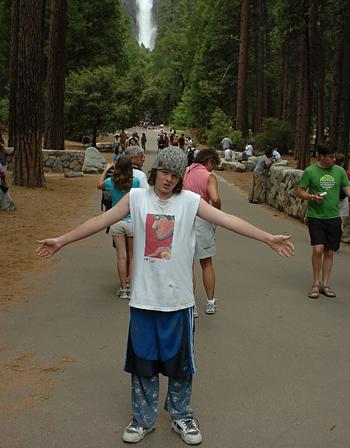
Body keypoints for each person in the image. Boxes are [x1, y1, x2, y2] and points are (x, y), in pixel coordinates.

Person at [36, 146, 293, 445]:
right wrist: (62, 240)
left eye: (175, 174)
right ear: (154, 171)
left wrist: (267, 238)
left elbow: (229, 220)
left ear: (181, 177)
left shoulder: (190, 202)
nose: (168, 180)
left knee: (180, 366)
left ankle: (182, 415)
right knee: (143, 363)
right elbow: (101, 221)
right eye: (164, 172)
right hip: (144, 300)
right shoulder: (137, 197)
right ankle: (143, 419)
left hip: (179, 302)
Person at [297, 144, 350, 299]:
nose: (334, 159)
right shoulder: (310, 171)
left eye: (334, 156)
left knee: (329, 251)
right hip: (316, 217)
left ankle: (325, 285)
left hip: (334, 217)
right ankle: (316, 283)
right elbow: (300, 191)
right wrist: (312, 197)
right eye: (330, 157)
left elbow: (347, 190)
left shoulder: (340, 171)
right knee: (318, 249)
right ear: (321, 156)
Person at [183, 148, 221, 315]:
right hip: (202, 218)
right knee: (206, 263)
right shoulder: (209, 176)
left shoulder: (186, 171)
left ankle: (192, 305)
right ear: (210, 162)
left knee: (188, 264)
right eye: (213, 165)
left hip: (185, 218)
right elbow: (215, 198)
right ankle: (210, 302)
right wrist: (217, 213)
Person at [97, 158, 140, 298]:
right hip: (132, 220)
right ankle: (132, 287)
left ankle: (123, 289)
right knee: (132, 256)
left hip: (116, 221)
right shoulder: (135, 182)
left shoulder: (110, 182)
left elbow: (99, 185)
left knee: (121, 256)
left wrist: (106, 169)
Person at [335, 153, 350, 227]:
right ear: (342, 162)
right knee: (341, 220)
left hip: (334, 198)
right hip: (343, 199)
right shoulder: (346, 173)